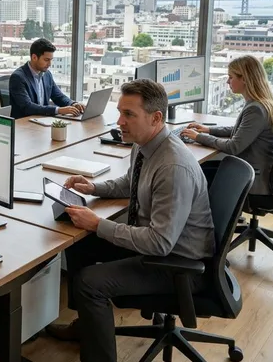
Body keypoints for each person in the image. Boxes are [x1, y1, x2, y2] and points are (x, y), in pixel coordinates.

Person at [45, 79, 214, 362]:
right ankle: (86, 326)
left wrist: (98, 224)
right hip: (156, 243)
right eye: (120, 112)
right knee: (78, 245)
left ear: (156, 118)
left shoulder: (173, 166)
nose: (120, 121)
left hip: (176, 263)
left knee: (89, 282)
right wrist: (94, 188)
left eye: (129, 115)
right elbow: (131, 183)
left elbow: (159, 243)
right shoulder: (146, 143)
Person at [181, 55, 273, 193]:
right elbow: (241, 130)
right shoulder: (261, 103)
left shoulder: (256, 109)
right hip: (259, 171)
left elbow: (233, 147)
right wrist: (208, 130)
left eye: (231, 77)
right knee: (199, 170)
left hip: (255, 178)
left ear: (245, 79)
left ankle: (212, 214)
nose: (228, 82)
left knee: (192, 174)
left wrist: (198, 137)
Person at [8, 38, 84, 119]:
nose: (49, 64)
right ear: (34, 57)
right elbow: (27, 107)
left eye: (51, 60)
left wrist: (73, 104)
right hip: (23, 124)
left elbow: (58, 96)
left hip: (42, 121)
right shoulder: (18, 77)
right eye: (46, 60)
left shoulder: (47, 74)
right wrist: (58, 110)